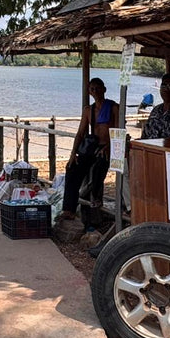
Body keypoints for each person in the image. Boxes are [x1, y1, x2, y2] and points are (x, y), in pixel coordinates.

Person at [58, 77, 118, 230]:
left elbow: (119, 132)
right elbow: (80, 133)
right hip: (91, 147)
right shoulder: (88, 110)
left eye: (98, 88)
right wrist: (73, 154)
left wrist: (109, 147)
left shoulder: (113, 108)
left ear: (104, 89)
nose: (95, 91)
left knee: (98, 168)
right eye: (92, 89)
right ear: (89, 91)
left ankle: (96, 201)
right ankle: (69, 208)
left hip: (107, 148)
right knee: (72, 168)